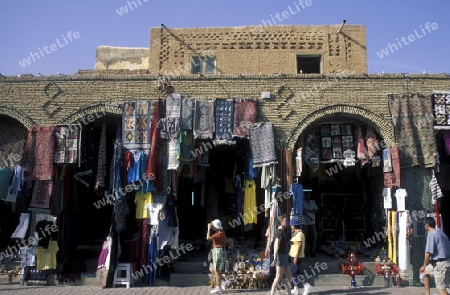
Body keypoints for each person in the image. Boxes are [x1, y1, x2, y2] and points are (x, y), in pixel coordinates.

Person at [419, 216, 450, 295]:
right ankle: (427, 293)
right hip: (444, 262)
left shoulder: (431, 235)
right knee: (425, 271)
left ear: (427, 225)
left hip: (439, 264)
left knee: (441, 288)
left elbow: (428, 253)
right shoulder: (441, 233)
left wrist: (424, 265)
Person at [289, 216, 312, 295]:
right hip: (293, 255)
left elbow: (299, 246)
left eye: (291, 224)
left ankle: (306, 285)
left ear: (294, 225)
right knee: (295, 272)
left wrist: (295, 257)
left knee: (294, 273)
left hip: (297, 256)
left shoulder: (299, 234)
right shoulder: (296, 233)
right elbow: (294, 244)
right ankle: (296, 289)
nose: (290, 226)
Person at [270, 214, 292, 295]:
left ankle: (289, 293)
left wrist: (288, 243)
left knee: (289, 276)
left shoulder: (282, 232)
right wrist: (275, 259)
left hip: (285, 256)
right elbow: (276, 246)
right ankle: (272, 292)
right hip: (280, 256)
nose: (287, 222)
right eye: (285, 221)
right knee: (278, 277)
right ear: (280, 222)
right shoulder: (279, 232)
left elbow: (281, 244)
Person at [206, 219, 227, 294]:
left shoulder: (219, 234)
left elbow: (208, 238)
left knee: (217, 270)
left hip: (218, 251)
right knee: (213, 269)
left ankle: (219, 287)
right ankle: (224, 280)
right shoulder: (221, 233)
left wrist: (208, 228)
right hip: (216, 251)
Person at [303, 192, 318, 257]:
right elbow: (303, 211)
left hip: (312, 222)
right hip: (305, 222)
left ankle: (313, 250)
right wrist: (311, 211)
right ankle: (306, 251)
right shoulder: (303, 202)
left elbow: (316, 210)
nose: (308, 196)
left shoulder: (313, 202)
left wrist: (308, 210)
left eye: (309, 195)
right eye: (307, 195)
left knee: (315, 236)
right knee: (305, 237)